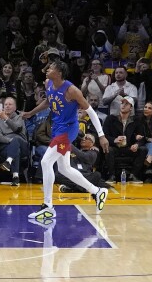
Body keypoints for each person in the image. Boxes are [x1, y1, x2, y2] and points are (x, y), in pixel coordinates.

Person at [24, 61, 109, 220]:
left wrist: (101, 135)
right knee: (64, 168)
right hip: (58, 128)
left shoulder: (72, 90)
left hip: (68, 130)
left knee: (46, 162)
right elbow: (49, 101)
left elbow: (90, 111)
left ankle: (48, 206)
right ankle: (97, 191)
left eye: (51, 67)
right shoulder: (49, 83)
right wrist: (31, 113)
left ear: (59, 72)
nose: (48, 69)